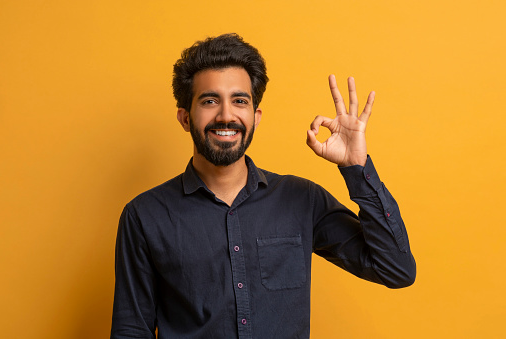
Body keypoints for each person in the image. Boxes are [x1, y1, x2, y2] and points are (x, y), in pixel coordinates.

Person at [110, 33, 416, 339]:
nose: (226, 115)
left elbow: (396, 270)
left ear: (255, 117)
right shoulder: (144, 216)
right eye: (209, 100)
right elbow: (131, 330)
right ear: (185, 118)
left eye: (239, 101)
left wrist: (356, 167)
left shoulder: (302, 200)